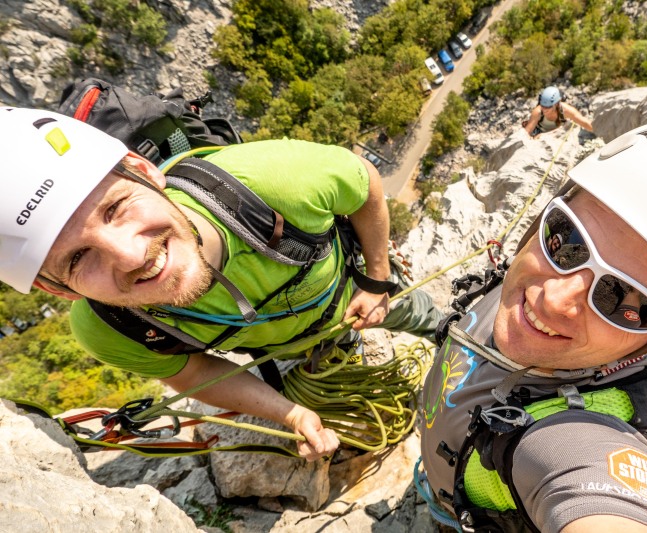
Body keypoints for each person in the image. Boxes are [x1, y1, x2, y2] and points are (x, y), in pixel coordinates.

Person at [0, 106, 444, 462]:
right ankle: (340, 346)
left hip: (348, 286)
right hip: (286, 342)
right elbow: (192, 373)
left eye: (115, 208)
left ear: (144, 170)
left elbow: (365, 183)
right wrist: (291, 414)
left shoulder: (278, 180)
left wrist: (377, 279)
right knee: (325, 352)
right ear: (58, 290)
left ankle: (446, 328)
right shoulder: (108, 328)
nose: (131, 256)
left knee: (414, 310)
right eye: (78, 259)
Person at [419, 117, 647, 532]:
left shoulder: (574, 441)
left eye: (628, 299)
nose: (554, 298)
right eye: (568, 240)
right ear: (545, 214)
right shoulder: (531, 276)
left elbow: (598, 501)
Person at [523, 86, 593, 138]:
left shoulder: (566, 110)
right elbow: (526, 133)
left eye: (548, 107)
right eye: (542, 106)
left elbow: (585, 123)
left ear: (556, 104)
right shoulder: (538, 112)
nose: (544, 109)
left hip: (556, 134)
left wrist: (597, 130)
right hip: (539, 134)